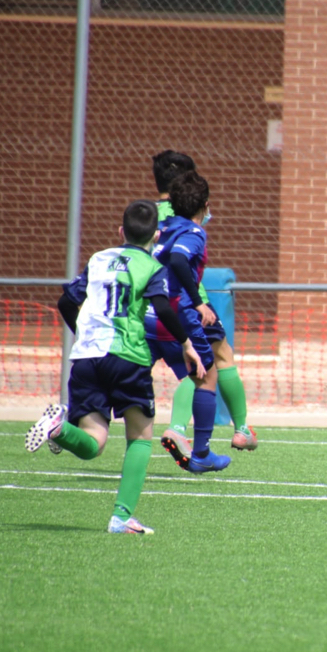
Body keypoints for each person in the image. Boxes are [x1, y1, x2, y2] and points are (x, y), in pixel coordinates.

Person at [24, 199, 206, 534]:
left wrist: (85, 333)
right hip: (127, 356)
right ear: (156, 235)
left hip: (86, 357)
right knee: (139, 437)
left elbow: (66, 301)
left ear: (120, 231)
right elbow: (164, 310)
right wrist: (185, 343)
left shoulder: (98, 259)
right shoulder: (152, 266)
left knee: (94, 442)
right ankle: (121, 517)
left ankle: (59, 429)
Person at [150, 150, 258, 451]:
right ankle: (231, 430)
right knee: (211, 361)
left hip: (148, 304)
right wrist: (197, 302)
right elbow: (181, 259)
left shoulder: (144, 213)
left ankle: (84, 421)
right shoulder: (186, 215)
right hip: (187, 301)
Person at [147, 169, 234, 473]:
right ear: (205, 205)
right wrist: (198, 303)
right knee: (207, 376)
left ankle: (73, 424)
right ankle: (201, 453)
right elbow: (180, 260)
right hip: (176, 314)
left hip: (145, 312)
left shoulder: (164, 226)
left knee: (131, 376)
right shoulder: (193, 233)